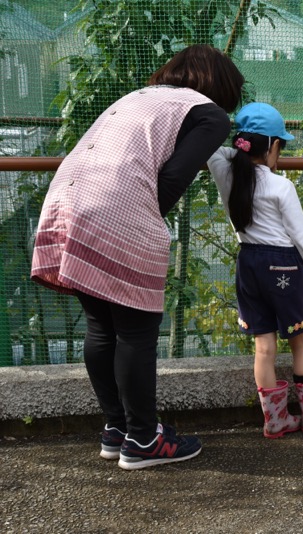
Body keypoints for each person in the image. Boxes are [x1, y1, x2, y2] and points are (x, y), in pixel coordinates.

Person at [30, 45, 244, 469]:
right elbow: (172, 179)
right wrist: (145, 218)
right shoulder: (209, 113)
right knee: (136, 330)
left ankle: (119, 429)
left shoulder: (136, 98)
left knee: (102, 325)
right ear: (219, 85)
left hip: (65, 199)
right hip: (115, 206)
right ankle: (144, 440)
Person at [206, 102, 303, 439]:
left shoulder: (223, 169)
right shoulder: (281, 186)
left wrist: (239, 146)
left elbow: (212, 146)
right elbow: (301, 236)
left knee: (264, 346)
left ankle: (275, 421)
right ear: (274, 145)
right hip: (284, 266)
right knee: (300, 341)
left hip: (248, 263)